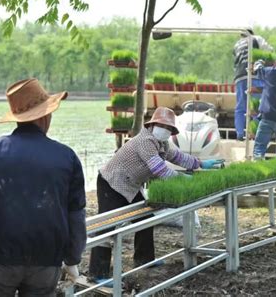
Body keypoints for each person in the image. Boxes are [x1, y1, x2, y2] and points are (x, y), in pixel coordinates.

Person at [0, 78, 87, 296]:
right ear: (44, 116)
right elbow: (76, 212)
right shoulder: (66, 157)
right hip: (47, 262)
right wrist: (72, 258)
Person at [88, 107, 222, 285]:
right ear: (152, 125)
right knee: (107, 225)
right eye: (161, 125)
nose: (165, 130)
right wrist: (184, 179)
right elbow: (159, 169)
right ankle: (98, 273)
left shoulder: (162, 143)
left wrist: (201, 163)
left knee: (145, 219)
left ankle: (144, 259)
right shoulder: (145, 141)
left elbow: (178, 157)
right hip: (111, 182)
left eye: (168, 128)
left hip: (129, 184)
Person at [233, 28, 273, 140]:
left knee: (241, 106)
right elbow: (269, 51)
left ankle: (240, 134)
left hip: (240, 76)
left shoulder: (237, 45)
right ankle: (254, 134)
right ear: (252, 33)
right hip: (254, 74)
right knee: (256, 105)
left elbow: (236, 61)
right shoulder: (256, 39)